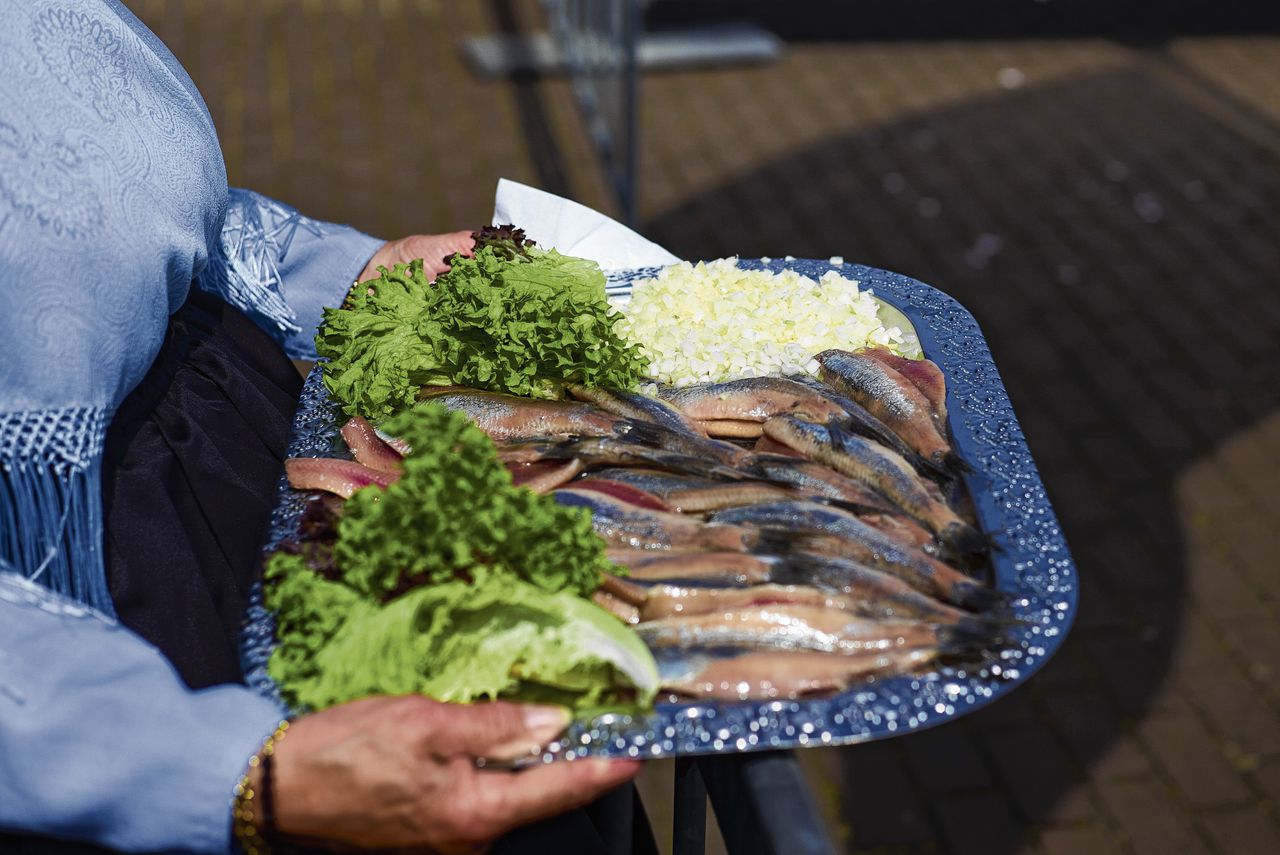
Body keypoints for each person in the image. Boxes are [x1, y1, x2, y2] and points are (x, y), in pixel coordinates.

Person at [0, 1, 641, 852]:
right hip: (99, 641)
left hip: (241, 461)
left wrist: (349, 276)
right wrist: (227, 772)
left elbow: (119, 202)